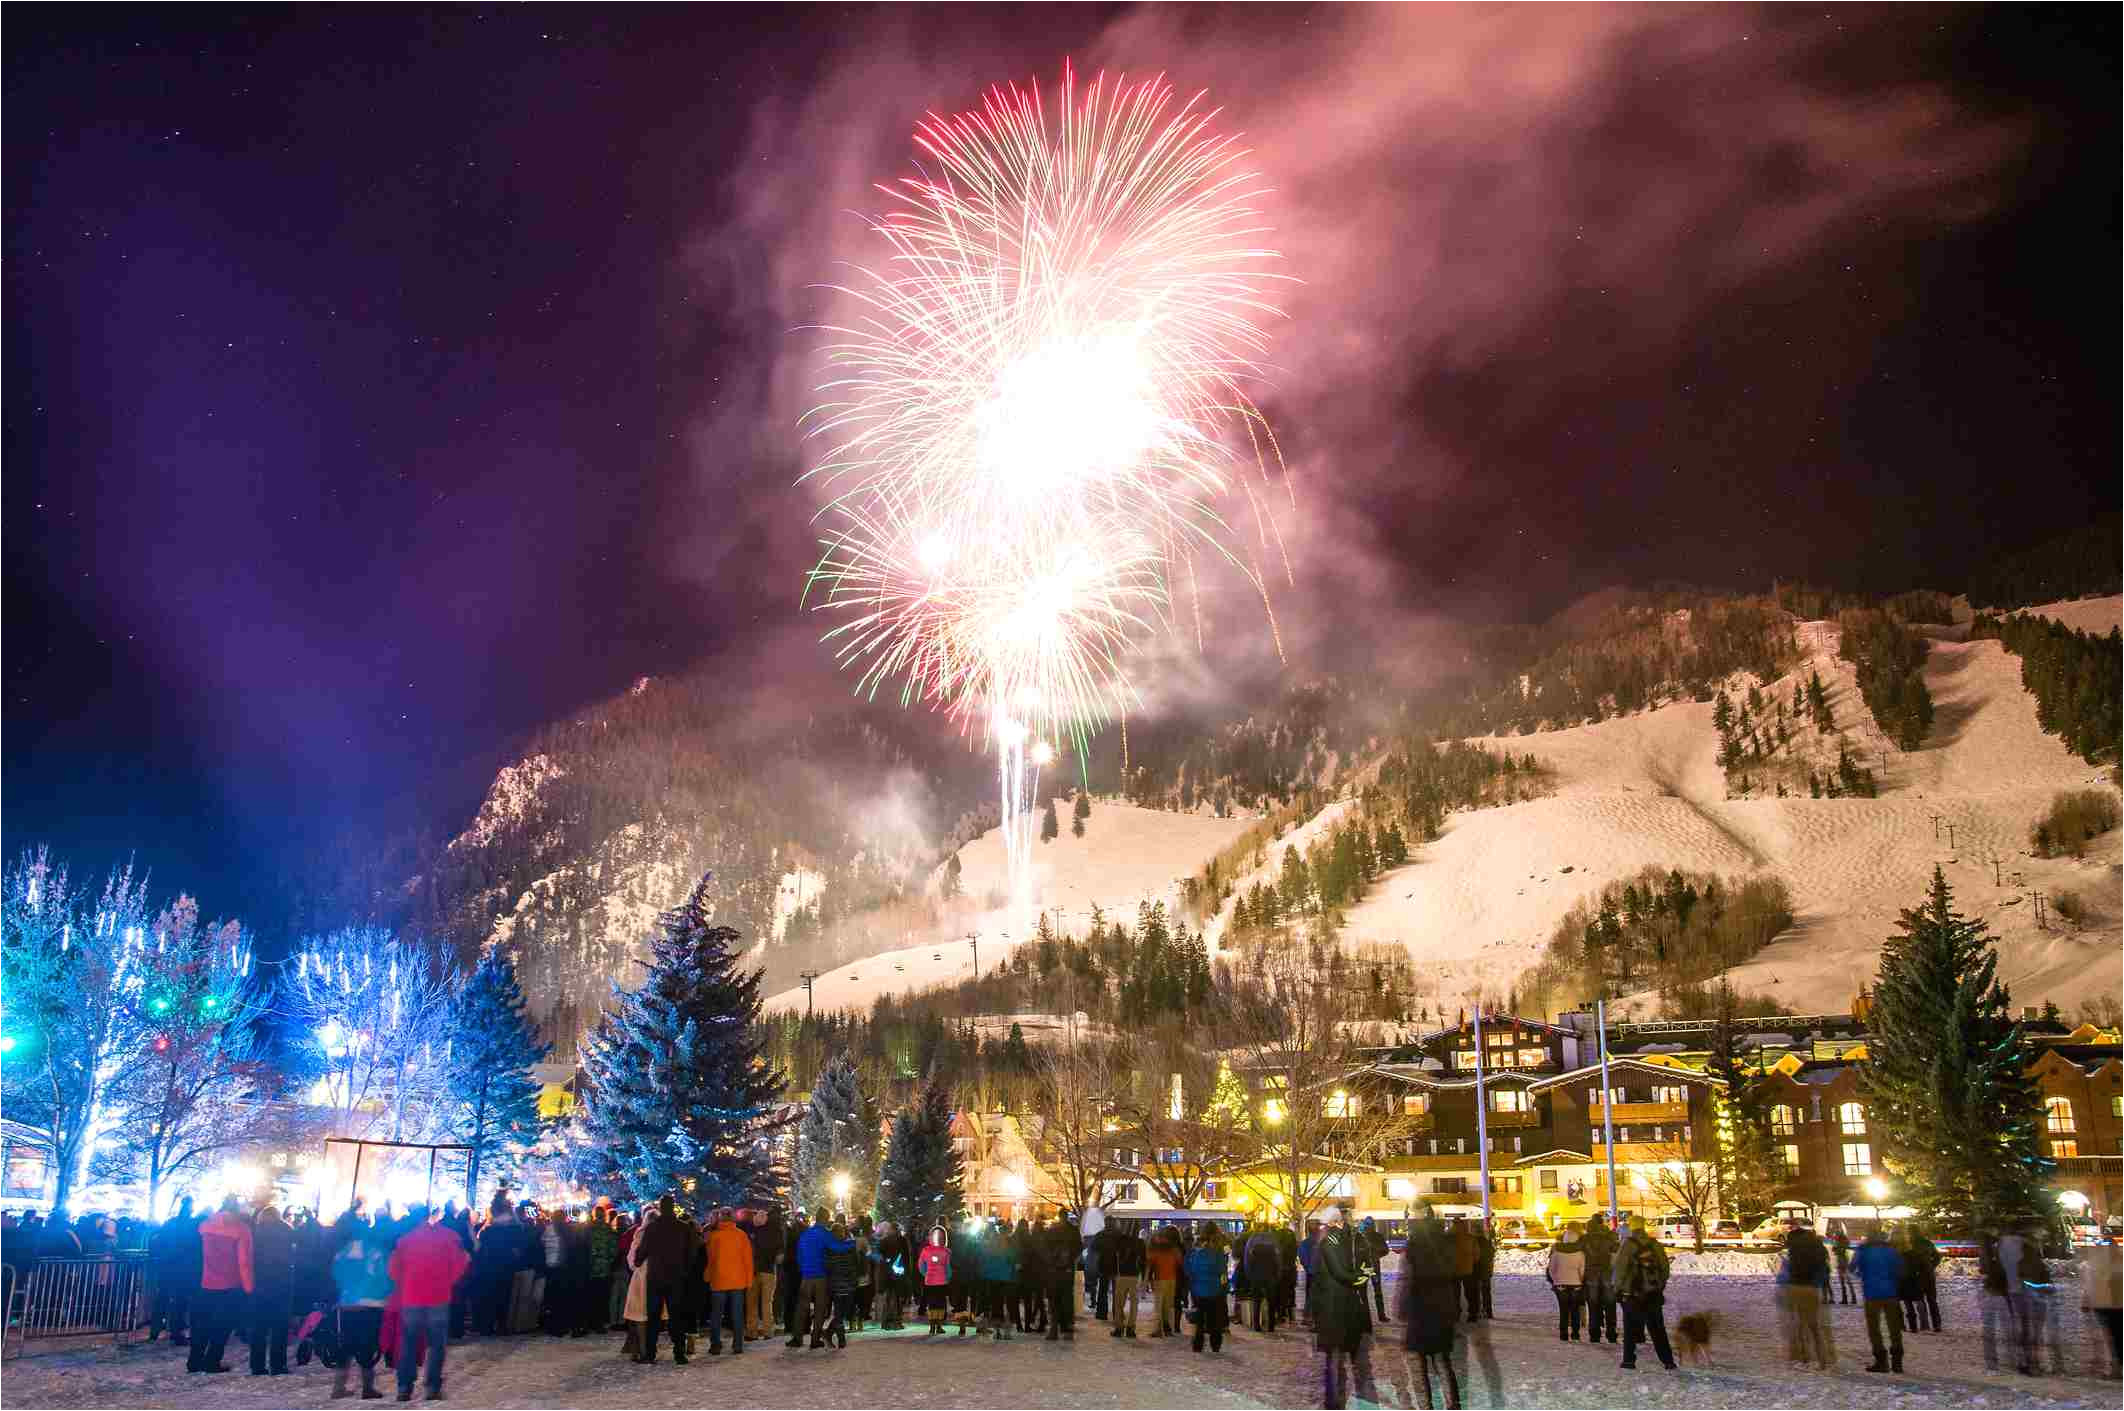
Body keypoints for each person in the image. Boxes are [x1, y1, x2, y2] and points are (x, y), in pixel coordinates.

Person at [388, 1207, 470, 1403]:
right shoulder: (449, 1237)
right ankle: (432, 1386)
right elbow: (461, 1262)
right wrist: (447, 1281)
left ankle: (404, 1387)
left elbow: (393, 1270)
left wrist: (406, 1283)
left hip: (412, 1297)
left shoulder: (406, 1240)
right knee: (436, 1345)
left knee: (408, 1343)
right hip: (438, 1297)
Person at [1400, 1207, 1465, 1410]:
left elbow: (1408, 1280)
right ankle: (1453, 1406)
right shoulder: (1446, 1243)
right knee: (1442, 1362)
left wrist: (1403, 1307)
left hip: (1421, 1310)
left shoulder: (1415, 1245)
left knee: (1420, 1368)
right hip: (1441, 1308)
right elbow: (1453, 1272)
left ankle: (1426, 1407)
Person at [1313, 1208, 1378, 1410]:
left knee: (1341, 1358)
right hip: (1336, 1306)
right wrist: (1360, 1276)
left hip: (1340, 1305)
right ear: (1337, 1222)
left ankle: (1337, 1402)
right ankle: (1336, 1403)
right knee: (1339, 1358)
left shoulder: (1338, 1240)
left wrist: (1361, 1272)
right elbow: (1341, 1272)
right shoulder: (1330, 1242)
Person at [188, 1196, 253, 1374]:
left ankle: (194, 1361)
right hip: (230, 1285)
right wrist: (248, 1288)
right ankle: (212, 1361)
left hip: (206, 1282)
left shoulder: (205, 1226)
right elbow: (244, 1262)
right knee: (222, 1327)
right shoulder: (241, 1229)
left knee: (202, 1325)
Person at [633, 1196, 698, 1364]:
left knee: (653, 1317)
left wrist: (638, 1260)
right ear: (673, 1207)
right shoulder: (683, 1228)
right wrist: (686, 1270)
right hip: (676, 1277)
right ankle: (679, 1353)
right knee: (676, 1316)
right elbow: (692, 1252)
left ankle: (650, 1353)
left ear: (661, 1208)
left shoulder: (653, 1227)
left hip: (655, 1277)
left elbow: (643, 1250)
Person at [332, 1224, 391, 1400]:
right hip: (370, 1305)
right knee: (367, 1347)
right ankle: (367, 1388)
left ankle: (338, 1387)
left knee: (346, 1346)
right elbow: (384, 1278)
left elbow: (335, 1275)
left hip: (347, 1304)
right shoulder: (375, 1253)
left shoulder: (342, 1253)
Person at [1614, 1214, 1676, 1371]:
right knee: (1657, 1329)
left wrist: (1618, 1289)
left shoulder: (1627, 1244)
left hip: (1632, 1294)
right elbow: (1664, 1269)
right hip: (1652, 1294)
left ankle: (1629, 1360)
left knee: (1630, 1329)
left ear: (1631, 1227)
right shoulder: (1655, 1244)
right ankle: (1668, 1361)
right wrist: (1658, 1285)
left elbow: (1620, 1269)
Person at [790, 1208, 849, 1349]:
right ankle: (815, 1339)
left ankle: (797, 1338)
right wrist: (854, 1243)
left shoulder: (806, 1234)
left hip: (806, 1276)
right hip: (821, 1276)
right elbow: (837, 1248)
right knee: (820, 1309)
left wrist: (803, 1269)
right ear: (826, 1218)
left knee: (802, 1308)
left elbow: (799, 1255)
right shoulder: (825, 1234)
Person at [1780, 1222, 1835, 1370]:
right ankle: (1822, 1359)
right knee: (1814, 1325)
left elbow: (1788, 1270)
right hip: (1812, 1288)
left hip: (1796, 1286)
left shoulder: (1795, 1248)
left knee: (1799, 1324)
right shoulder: (1817, 1247)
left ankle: (1804, 1357)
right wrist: (1819, 1284)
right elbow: (1824, 1269)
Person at [250, 1204, 297, 1376]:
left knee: (259, 1327)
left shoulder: (256, 1232)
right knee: (280, 1326)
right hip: (281, 1283)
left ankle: (257, 1365)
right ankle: (277, 1365)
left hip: (261, 1283)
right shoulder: (286, 1230)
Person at [1851, 1225, 1905, 1374]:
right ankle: (1897, 1362)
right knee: (1894, 1329)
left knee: (1874, 1330)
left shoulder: (1863, 1251)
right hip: (1891, 1294)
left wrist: (1863, 1275)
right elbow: (1901, 1270)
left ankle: (1881, 1361)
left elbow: (1852, 1268)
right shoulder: (1892, 1251)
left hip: (1872, 1294)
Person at [148, 1197, 199, 1345]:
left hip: (167, 1266)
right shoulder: (191, 1225)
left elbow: (158, 1239)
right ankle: (176, 1332)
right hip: (182, 1268)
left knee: (162, 1298)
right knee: (179, 1301)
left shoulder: (171, 1223)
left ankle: (155, 1330)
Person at [703, 1209, 751, 1356]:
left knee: (716, 1314)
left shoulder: (714, 1236)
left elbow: (710, 1259)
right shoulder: (741, 1235)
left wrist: (708, 1276)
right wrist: (748, 1280)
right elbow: (747, 1259)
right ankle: (737, 1345)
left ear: (721, 1218)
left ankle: (715, 1345)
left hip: (719, 1280)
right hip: (738, 1280)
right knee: (737, 1314)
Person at [1184, 1225, 1230, 1354]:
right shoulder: (1219, 1256)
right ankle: (1215, 1344)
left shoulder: (1196, 1254)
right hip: (1215, 1291)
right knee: (1214, 1319)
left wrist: (1193, 1284)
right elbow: (1223, 1274)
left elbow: (1190, 1271)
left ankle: (1197, 1344)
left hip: (1198, 1291)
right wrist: (1224, 1287)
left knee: (1199, 1320)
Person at [2081, 1234, 2121, 1380]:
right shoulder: (2098, 1265)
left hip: (2111, 1304)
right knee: (2113, 1336)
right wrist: (2086, 1300)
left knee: (2114, 1336)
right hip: (2106, 1304)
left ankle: (2116, 1368)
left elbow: (2090, 1285)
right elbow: (2090, 1284)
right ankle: (2116, 1367)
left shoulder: (2106, 1264)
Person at [1579, 1212, 1618, 1344]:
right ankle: (1611, 1333)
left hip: (1591, 1274)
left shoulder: (1584, 1240)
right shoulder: (1607, 1239)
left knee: (1593, 1305)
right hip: (1607, 1273)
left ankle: (1594, 1334)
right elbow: (1615, 1251)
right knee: (1610, 1305)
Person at [1544, 1223, 1584, 1342]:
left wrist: (1556, 1281)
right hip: (1576, 1284)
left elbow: (1551, 1269)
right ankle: (1575, 1333)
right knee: (1575, 1309)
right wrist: (1580, 1281)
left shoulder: (1556, 1253)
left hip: (1560, 1285)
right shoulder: (1580, 1254)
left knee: (1563, 1310)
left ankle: (1563, 1333)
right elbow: (1582, 1270)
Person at [1899, 1223, 1941, 1333]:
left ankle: (1924, 1324)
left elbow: (1908, 1261)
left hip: (1916, 1276)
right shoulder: (1927, 1243)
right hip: (1929, 1275)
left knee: (1920, 1300)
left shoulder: (1909, 1245)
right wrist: (1932, 1266)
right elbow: (1937, 1257)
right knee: (1932, 1300)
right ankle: (1936, 1325)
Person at [1044, 1216, 1079, 1342]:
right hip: (1065, 1272)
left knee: (1054, 1301)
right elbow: (1078, 1249)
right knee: (1066, 1301)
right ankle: (1066, 1330)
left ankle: (1054, 1329)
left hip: (1054, 1272)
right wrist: (1070, 1261)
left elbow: (1045, 1251)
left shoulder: (1052, 1231)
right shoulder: (1073, 1232)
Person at [1242, 1223, 1280, 1334]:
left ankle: (1256, 1325)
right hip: (1270, 1276)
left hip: (1256, 1276)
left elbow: (1247, 1260)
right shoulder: (1273, 1240)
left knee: (1256, 1301)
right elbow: (1278, 1260)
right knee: (1271, 1302)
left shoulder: (1252, 1240)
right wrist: (1277, 1275)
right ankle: (1271, 1325)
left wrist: (1249, 1275)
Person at [748, 1210, 780, 1340]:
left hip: (753, 1271)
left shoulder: (751, 1233)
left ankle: (752, 1332)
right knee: (767, 1303)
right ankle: (768, 1331)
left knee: (752, 1303)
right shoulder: (775, 1232)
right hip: (769, 1270)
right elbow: (778, 1250)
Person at [1111, 1220, 1145, 1338]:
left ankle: (1119, 1327)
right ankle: (1131, 1328)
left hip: (1122, 1274)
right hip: (1134, 1276)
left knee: (1119, 1303)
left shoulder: (1121, 1240)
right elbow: (1143, 1260)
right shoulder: (1140, 1242)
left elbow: (1114, 1255)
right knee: (1134, 1304)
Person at [1146, 1227, 1183, 1338]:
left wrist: (1146, 1279)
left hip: (1159, 1278)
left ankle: (1158, 1329)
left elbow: (1150, 1261)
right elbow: (1180, 1261)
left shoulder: (1156, 1247)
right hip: (1172, 1279)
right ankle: (1168, 1328)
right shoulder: (1174, 1248)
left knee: (1158, 1305)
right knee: (1168, 1305)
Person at [874, 1220, 909, 1331]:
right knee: (897, 1297)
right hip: (898, 1271)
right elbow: (906, 1257)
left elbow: (879, 1256)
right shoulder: (902, 1240)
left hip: (888, 1272)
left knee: (889, 1297)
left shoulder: (884, 1241)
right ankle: (896, 1321)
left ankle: (887, 1322)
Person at [918, 1225, 952, 1336]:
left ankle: (932, 1326)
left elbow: (920, 1265)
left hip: (929, 1282)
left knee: (931, 1304)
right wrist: (947, 1278)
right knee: (940, 1304)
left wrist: (926, 1274)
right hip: (941, 1281)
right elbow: (948, 1268)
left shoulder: (925, 1250)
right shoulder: (946, 1251)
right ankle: (939, 1326)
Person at [1358, 1217, 1390, 1323]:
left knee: (1363, 1292)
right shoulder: (1376, 1236)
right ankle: (1380, 1315)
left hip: (1365, 1267)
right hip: (1373, 1266)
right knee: (1376, 1291)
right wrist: (1377, 1256)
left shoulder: (1360, 1237)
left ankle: (1365, 1316)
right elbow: (1385, 1250)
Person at [1831, 1225, 1856, 1305]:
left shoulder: (1840, 1243)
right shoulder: (1845, 1242)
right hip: (1844, 1262)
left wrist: (1836, 1248)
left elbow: (1836, 1250)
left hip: (1842, 1262)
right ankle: (1852, 1298)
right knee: (1848, 1282)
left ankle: (1846, 1298)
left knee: (1844, 1282)